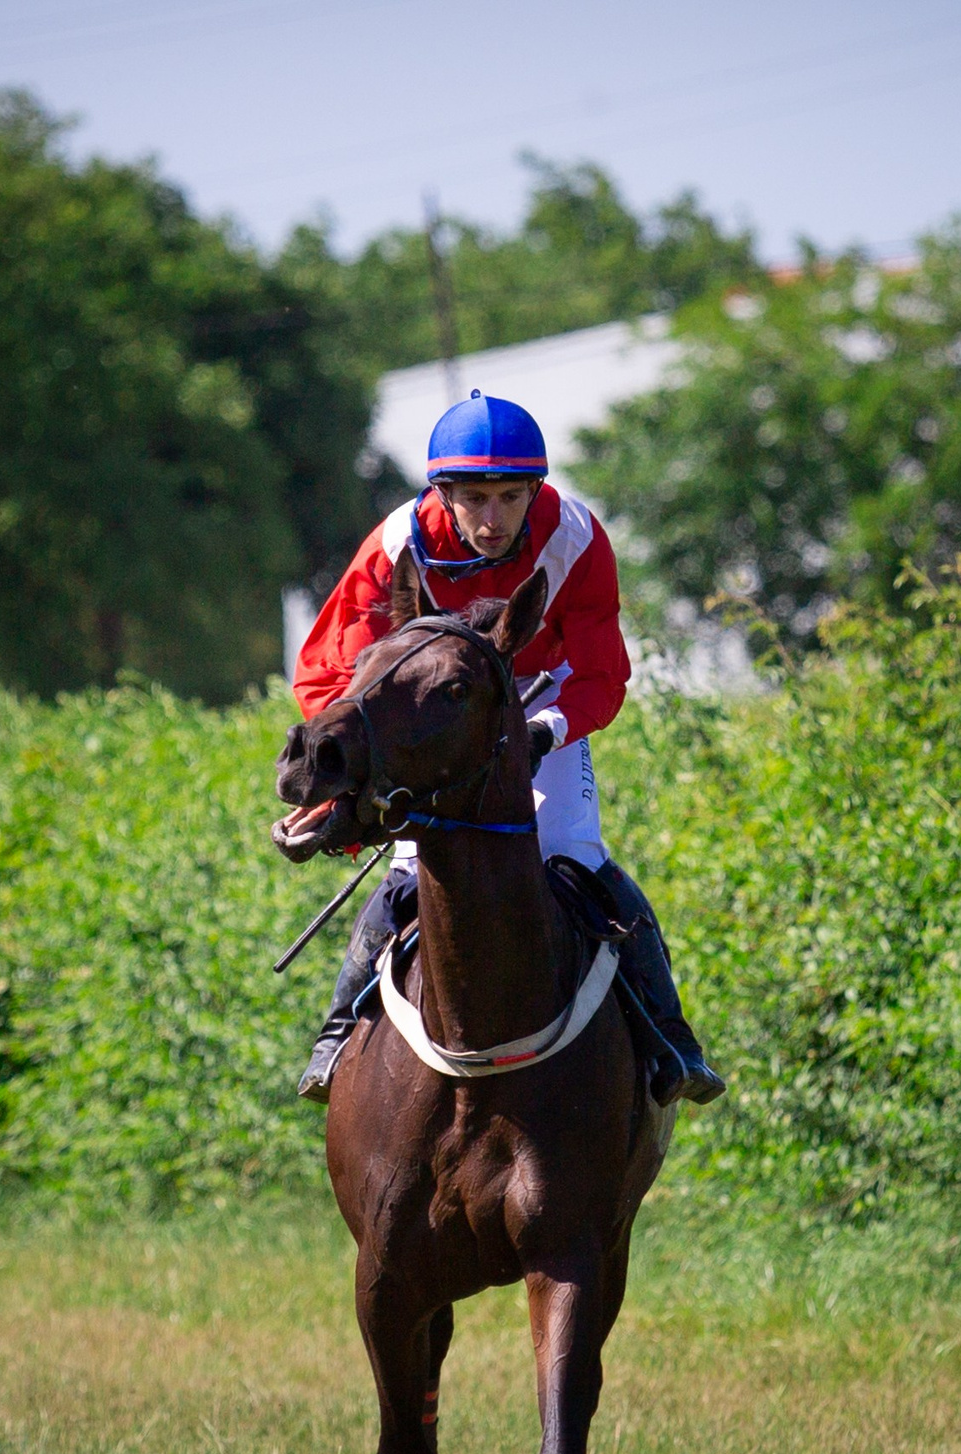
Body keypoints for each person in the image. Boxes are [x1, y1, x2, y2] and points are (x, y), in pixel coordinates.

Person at [289, 390, 725, 1108]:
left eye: (511, 498)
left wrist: (545, 731)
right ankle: (337, 1036)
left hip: (538, 702)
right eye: (475, 499)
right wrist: (361, 764)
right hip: (433, 716)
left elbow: (602, 674)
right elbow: (334, 676)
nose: (493, 521)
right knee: (408, 867)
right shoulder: (396, 546)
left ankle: (671, 1040)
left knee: (575, 851)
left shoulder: (577, 536)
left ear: (536, 490)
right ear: (442, 495)